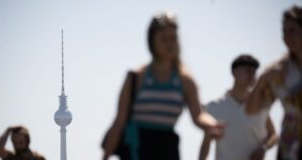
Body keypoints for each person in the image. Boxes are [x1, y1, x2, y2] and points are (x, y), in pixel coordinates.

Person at [102, 11, 224, 160]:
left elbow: (198, 115)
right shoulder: (136, 77)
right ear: (152, 41)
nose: (169, 44)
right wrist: (105, 156)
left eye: (173, 38)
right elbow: (119, 121)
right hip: (137, 148)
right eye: (164, 39)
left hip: (167, 148)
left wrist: (212, 124)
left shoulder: (185, 81)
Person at [245, 6, 302, 160]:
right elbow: (251, 109)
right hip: (291, 148)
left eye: (292, 30)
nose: (287, 37)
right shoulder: (280, 70)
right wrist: (263, 77)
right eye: (284, 31)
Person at [199, 55, 278, 160]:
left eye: (254, 72)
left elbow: (273, 134)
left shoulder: (261, 105)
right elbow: (206, 143)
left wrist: (263, 148)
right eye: (248, 71)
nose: (252, 75)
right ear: (234, 72)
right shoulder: (214, 107)